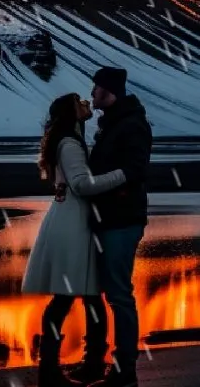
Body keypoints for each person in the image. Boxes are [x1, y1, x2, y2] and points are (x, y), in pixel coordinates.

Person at [21, 93, 127, 387]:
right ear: (71, 111)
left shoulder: (69, 139)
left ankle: (65, 365)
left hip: (70, 218)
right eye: (80, 101)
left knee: (76, 296)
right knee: (82, 296)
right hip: (74, 223)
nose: (86, 103)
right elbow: (82, 185)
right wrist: (122, 175)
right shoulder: (69, 143)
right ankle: (71, 366)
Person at [80, 67, 153, 387]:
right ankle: (95, 361)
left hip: (122, 220)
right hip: (106, 219)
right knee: (93, 292)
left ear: (109, 92)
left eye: (96, 89)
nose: (92, 93)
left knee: (119, 294)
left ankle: (124, 369)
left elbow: (134, 169)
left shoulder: (131, 125)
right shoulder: (114, 124)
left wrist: (97, 186)